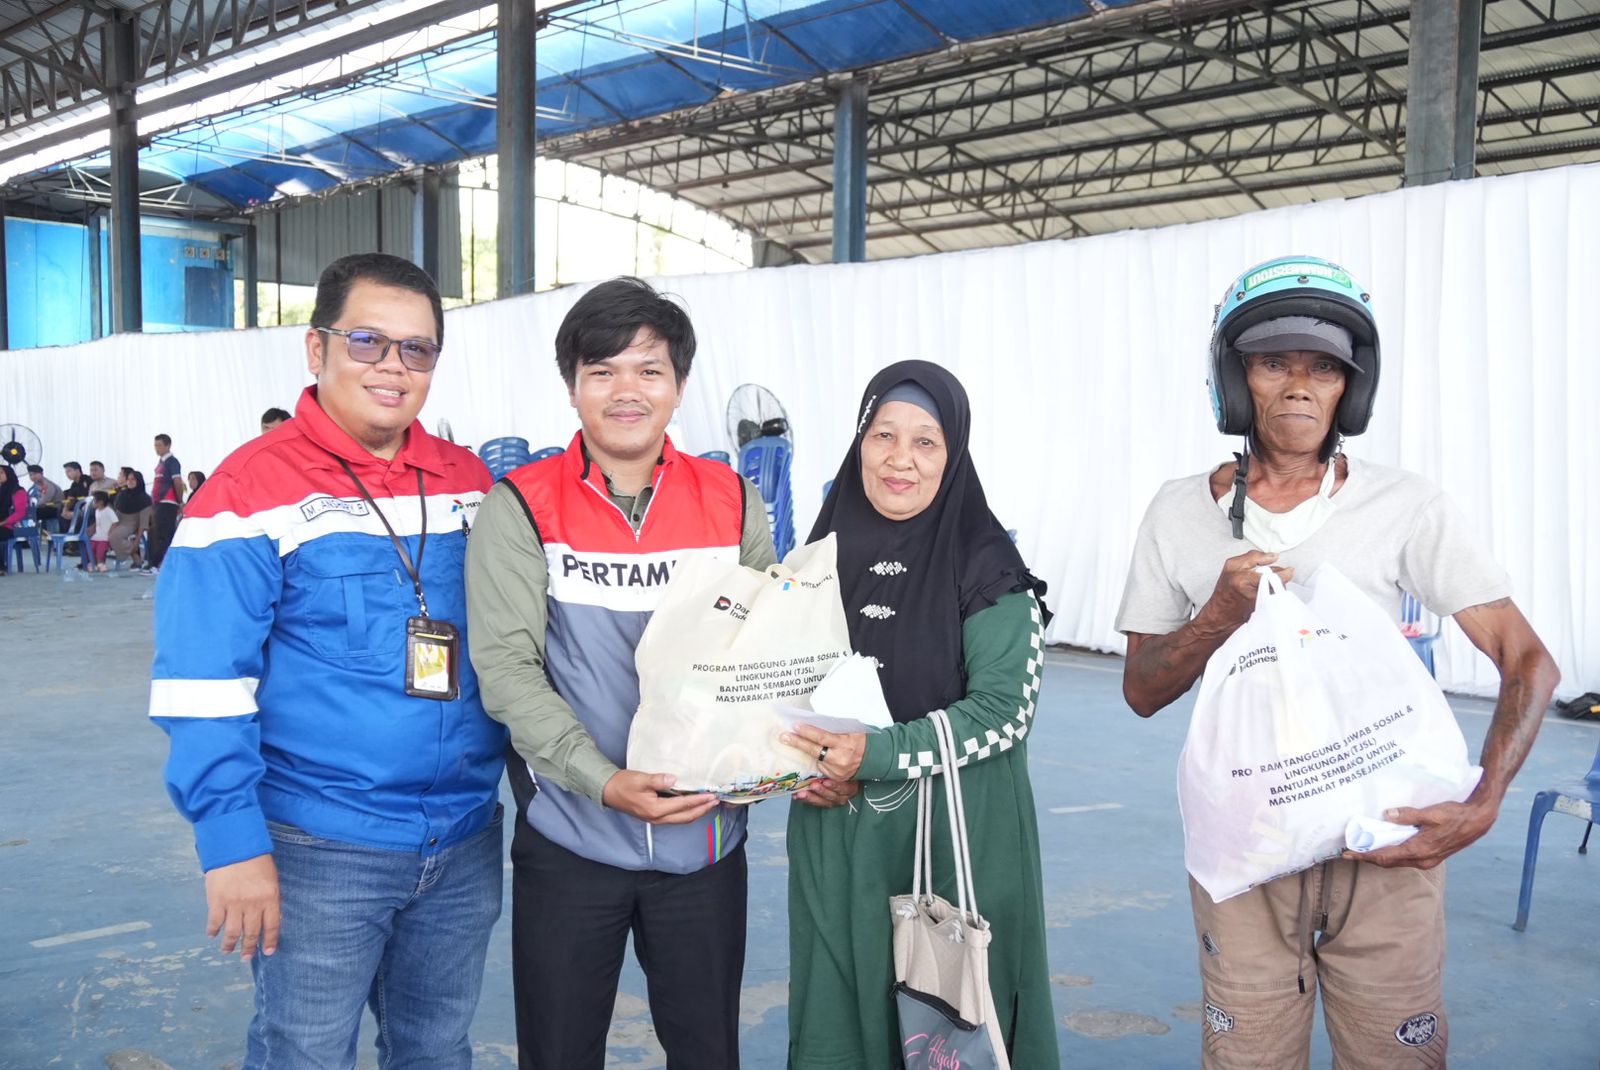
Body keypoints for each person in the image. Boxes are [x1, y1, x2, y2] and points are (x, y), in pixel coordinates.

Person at [1115, 255, 1559, 1069]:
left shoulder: (1406, 505)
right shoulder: (1178, 512)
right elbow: (1141, 691)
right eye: (1272, 363)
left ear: (1351, 388)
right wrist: (1216, 617)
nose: (1299, 386)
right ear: (1234, 380)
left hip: (1387, 843)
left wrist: (1484, 801)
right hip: (1246, 847)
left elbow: (1528, 660)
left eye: (1323, 368)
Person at [149, 252, 505, 1069]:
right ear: (317, 348)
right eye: (368, 341)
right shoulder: (246, 493)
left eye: (417, 349)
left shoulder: (466, 481)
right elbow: (202, 686)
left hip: (462, 837)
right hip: (320, 847)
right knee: (304, 1054)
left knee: (437, 1050)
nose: (393, 367)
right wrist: (231, 842)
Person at [466, 276, 776, 1070]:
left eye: (648, 369)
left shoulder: (733, 501)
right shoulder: (522, 506)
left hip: (706, 845)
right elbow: (507, 668)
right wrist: (602, 780)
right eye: (602, 370)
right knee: (559, 1053)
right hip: (571, 841)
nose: (626, 390)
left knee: (707, 1053)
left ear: (679, 384)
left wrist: (777, 759)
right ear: (572, 386)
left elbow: (767, 654)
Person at [777, 360, 1059, 1069]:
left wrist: (873, 755)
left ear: (953, 453)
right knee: (840, 1016)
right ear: (859, 443)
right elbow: (777, 688)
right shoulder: (816, 560)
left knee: (949, 1023)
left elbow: (1004, 713)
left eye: (925, 441)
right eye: (883, 435)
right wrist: (802, 767)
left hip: (955, 841)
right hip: (839, 833)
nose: (900, 458)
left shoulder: (988, 567)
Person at [144, 434, 184, 574]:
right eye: (155, 445)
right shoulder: (160, 463)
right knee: (155, 533)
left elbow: (177, 481)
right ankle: (155, 562)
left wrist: (180, 501)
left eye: (160, 445)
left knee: (164, 534)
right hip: (158, 503)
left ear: (168, 445)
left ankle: (156, 564)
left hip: (168, 502)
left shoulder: (172, 462)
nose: (157, 448)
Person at [109, 468, 152, 570]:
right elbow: (116, 510)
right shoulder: (122, 494)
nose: (130, 482)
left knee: (114, 536)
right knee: (97, 533)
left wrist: (137, 541)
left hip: (131, 522)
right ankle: (97, 563)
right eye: (128, 479)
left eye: (133, 479)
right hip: (118, 520)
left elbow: (143, 522)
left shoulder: (145, 499)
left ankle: (131, 552)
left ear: (139, 481)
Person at [0, 465, 26, 576]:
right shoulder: (1, 490)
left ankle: (1, 567)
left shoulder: (18, 491)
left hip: (13, 526)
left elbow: (20, 513)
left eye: (1, 473)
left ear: (9, 474)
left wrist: (3, 522)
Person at [86, 490, 115, 571]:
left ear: (101, 502)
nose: (93, 503)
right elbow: (97, 521)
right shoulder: (97, 511)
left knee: (100, 551)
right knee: (92, 548)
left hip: (104, 536)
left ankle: (100, 563)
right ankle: (93, 563)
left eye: (94, 501)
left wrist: (110, 532)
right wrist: (92, 527)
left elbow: (115, 522)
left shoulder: (108, 511)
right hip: (96, 535)